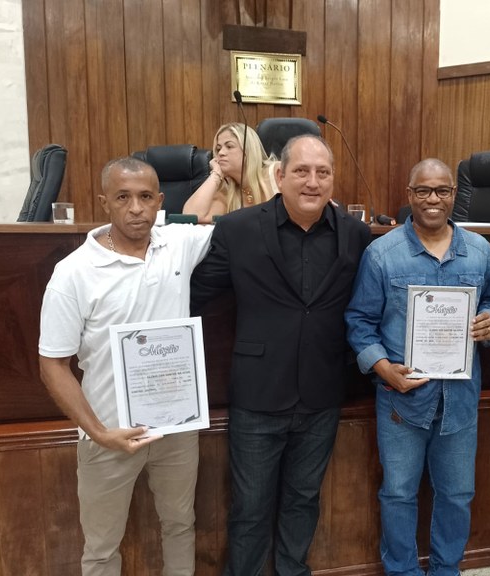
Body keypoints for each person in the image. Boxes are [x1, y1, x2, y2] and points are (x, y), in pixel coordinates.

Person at [190, 134, 371, 576]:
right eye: (302, 171)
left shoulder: (355, 234)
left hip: (322, 392)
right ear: (279, 174)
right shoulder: (238, 229)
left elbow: (369, 305)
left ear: (333, 179)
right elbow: (193, 295)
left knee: (303, 500)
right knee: (250, 508)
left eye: (323, 172)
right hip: (258, 393)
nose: (313, 182)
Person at [38, 156, 214, 576]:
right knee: (101, 548)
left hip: (175, 428)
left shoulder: (178, 243)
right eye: (123, 197)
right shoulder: (73, 273)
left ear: (160, 201)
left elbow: (236, 223)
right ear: (104, 203)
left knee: (180, 526)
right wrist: (99, 433)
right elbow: (52, 365)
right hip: (108, 431)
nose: (136, 208)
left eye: (145, 197)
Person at [345, 158, 490, 576]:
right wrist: (382, 368)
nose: (433, 199)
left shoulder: (479, 251)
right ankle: (401, 571)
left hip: (460, 400)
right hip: (401, 400)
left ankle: (445, 569)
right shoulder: (382, 254)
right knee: (398, 493)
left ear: (455, 195)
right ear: (409, 195)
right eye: (423, 190)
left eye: (442, 190)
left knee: (457, 494)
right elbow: (359, 321)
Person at [183, 122, 276, 221]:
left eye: (229, 146)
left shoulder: (276, 173)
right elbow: (190, 216)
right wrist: (216, 174)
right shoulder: (227, 193)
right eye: (218, 149)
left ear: (248, 150)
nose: (221, 153)